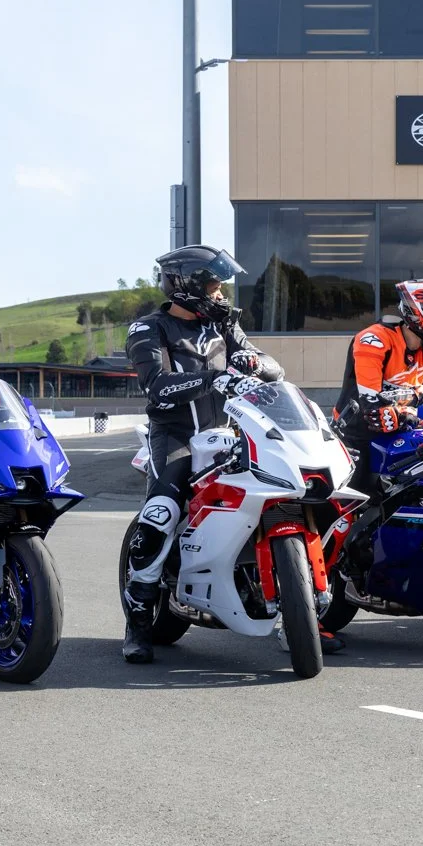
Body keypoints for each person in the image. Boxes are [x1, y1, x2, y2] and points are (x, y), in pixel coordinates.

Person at [121, 245, 287, 665]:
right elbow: (157, 386)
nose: (219, 293)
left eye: (219, 286)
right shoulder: (148, 329)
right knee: (161, 511)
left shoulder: (224, 327)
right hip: (174, 437)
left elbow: (273, 370)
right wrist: (216, 377)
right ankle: (138, 621)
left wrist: (254, 359)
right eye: (212, 285)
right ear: (186, 286)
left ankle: (297, 604)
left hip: (226, 435)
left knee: (280, 493)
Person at [333, 279, 423, 493]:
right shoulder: (373, 340)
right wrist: (418, 399)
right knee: (357, 500)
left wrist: (405, 409)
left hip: (405, 433)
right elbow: (375, 414)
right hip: (356, 437)